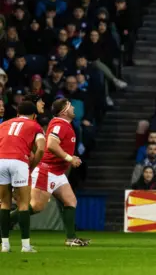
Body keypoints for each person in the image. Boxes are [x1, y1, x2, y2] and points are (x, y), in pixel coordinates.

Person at [11, 98, 88, 247]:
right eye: (70, 106)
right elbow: (51, 144)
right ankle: (5, 221)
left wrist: (68, 158)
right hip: (47, 170)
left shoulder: (65, 125)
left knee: (70, 201)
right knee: (37, 206)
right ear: (64, 110)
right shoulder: (59, 124)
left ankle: (71, 239)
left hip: (57, 172)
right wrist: (69, 158)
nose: (73, 108)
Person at [0, 101, 46, 253]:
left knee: (4, 204)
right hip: (20, 161)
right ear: (34, 115)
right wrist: (31, 166)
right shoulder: (35, 126)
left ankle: (5, 245)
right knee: (23, 204)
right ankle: (26, 246)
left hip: (1, 161)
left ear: (18, 113)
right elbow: (40, 149)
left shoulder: (4, 124)